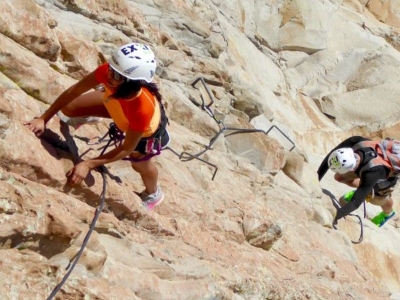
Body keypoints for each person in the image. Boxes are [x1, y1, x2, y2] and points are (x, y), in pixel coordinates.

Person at [24, 43, 169, 210]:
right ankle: (93, 115)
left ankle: (153, 193)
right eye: (111, 69)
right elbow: (74, 91)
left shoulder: (142, 109)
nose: (109, 75)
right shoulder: (109, 73)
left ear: (133, 83)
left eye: (116, 75)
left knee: (140, 164)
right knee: (70, 108)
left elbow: (125, 149)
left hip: (144, 133)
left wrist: (88, 164)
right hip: (118, 105)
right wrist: (44, 118)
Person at [318, 136, 397, 227]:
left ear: (351, 169)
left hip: (386, 178)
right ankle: (362, 190)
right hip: (367, 166)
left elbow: (355, 203)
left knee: (377, 199)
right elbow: (331, 155)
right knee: (340, 177)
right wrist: (316, 179)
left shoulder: (372, 174)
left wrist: (334, 216)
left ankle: (388, 213)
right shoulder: (356, 142)